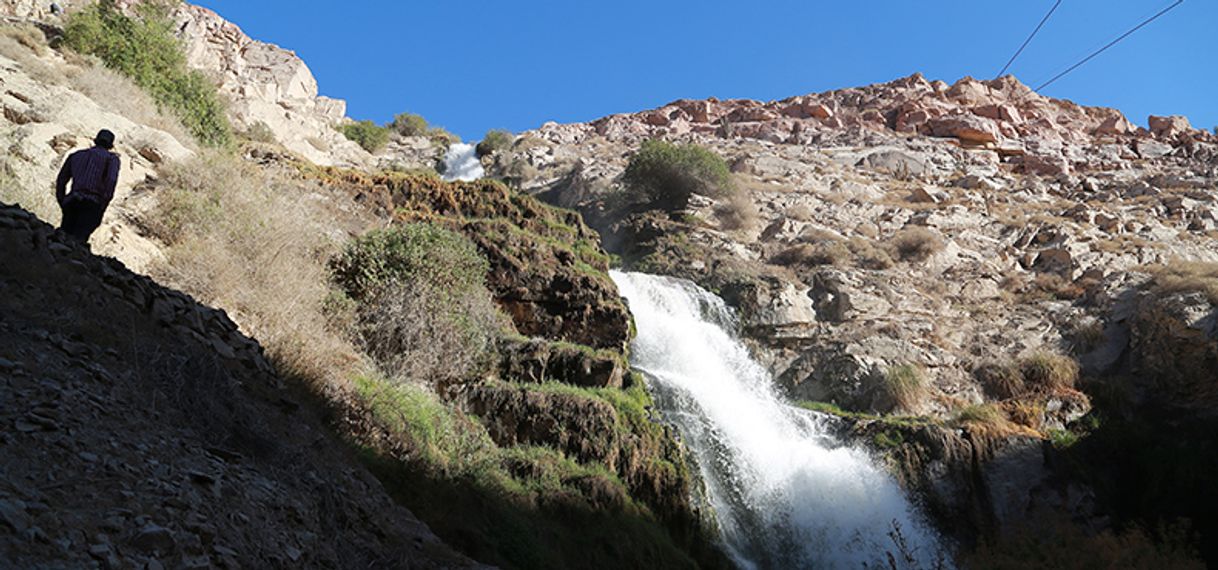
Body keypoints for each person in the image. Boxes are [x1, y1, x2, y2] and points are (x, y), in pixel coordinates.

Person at [56, 129, 120, 245]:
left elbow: (61, 180)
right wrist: (103, 205)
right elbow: (111, 181)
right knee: (78, 241)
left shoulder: (76, 155)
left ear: (96, 141)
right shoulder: (112, 159)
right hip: (92, 204)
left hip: (72, 201)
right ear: (110, 145)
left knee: (64, 237)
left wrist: (63, 201)